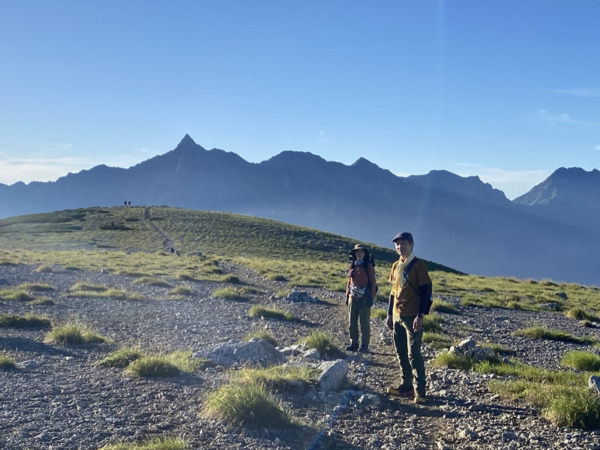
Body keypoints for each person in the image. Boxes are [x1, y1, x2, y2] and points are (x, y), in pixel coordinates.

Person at [386, 232, 432, 404]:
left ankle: (420, 391)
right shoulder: (396, 266)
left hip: (412, 315)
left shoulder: (419, 266)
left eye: (403, 243)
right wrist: (390, 314)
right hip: (397, 315)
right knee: (400, 352)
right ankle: (406, 385)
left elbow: (427, 293)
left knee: (414, 353)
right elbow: (393, 292)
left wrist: (420, 316)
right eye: (397, 244)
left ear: (411, 245)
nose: (400, 247)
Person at [345, 244, 377, 352]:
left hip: (364, 298)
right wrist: (347, 295)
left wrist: (371, 297)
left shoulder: (368, 266)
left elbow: (373, 282)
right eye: (357, 252)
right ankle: (354, 343)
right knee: (352, 322)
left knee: (364, 322)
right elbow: (349, 282)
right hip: (352, 297)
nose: (359, 254)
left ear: (364, 254)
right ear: (354, 254)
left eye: (361, 252)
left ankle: (364, 345)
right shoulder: (352, 265)